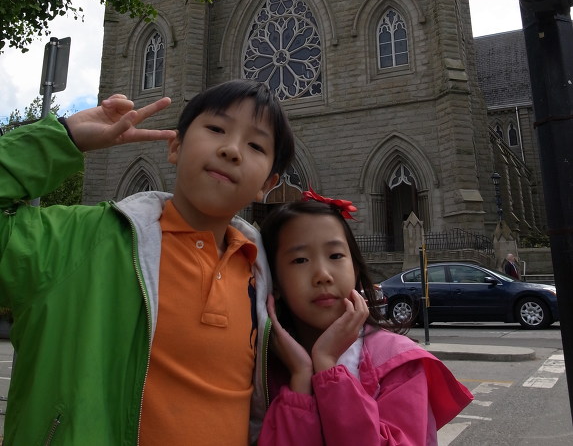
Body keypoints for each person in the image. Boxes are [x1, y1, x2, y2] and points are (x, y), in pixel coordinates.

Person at [0, 81, 294, 445]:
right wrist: (63, 137)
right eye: (217, 128)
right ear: (175, 146)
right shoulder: (79, 243)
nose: (231, 150)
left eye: (256, 146)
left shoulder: (268, 277)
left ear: (267, 184)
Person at [258, 194, 473, 445]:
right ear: (274, 282)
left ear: (355, 269)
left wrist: (328, 368)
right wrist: (300, 379)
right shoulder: (262, 367)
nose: (323, 275)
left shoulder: (397, 363)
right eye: (300, 260)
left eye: (335, 256)